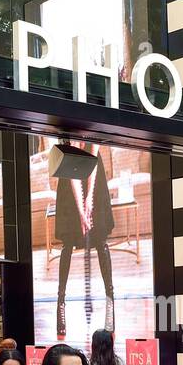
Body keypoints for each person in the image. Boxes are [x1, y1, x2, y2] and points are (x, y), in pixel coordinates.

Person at [53, 140, 115, 338]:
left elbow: (93, 162)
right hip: (68, 184)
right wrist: (81, 211)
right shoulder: (66, 137)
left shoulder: (91, 130)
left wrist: (90, 199)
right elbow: (72, 175)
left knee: (100, 240)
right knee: (68, 243)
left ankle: (110, 303)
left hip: (95, 180)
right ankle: (60, 303)